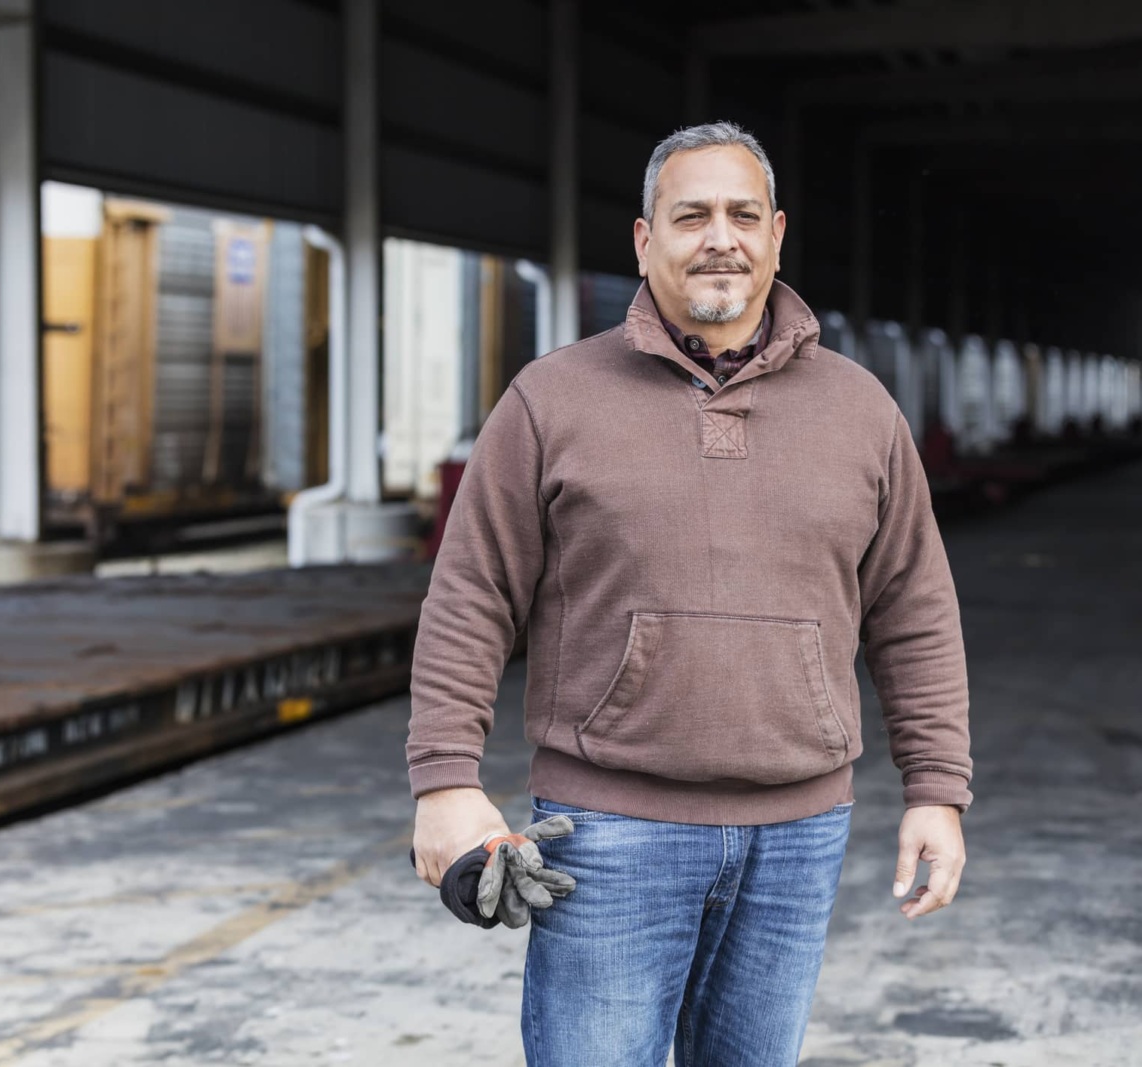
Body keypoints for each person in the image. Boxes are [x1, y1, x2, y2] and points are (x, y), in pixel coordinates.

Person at [406, 122, 972, 1066]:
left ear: (778, 234)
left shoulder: (862, 410)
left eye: (744, 215)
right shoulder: (552, 400)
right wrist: (445, 782)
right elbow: (470, 595)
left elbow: (914, 610)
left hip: (799, 838)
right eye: (693, 215)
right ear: (643, 239)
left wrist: (937, 790)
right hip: (606, 835)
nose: (722, 237)